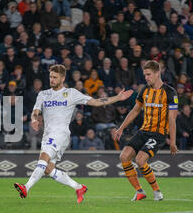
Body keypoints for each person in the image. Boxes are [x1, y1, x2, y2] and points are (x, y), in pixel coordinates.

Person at [14, 64, 133, 203]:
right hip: (48, 134)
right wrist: (34, 120)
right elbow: (35, 112)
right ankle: (78, 187)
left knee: (43, 157)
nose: (51, 80)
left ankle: (26, 187)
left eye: (55, 77)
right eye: (50, 77)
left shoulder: (71, 93)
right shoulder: (43, 94)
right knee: (47, 169)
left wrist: (117, 98)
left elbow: (95, 102)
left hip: (61, 133)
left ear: (62, 78)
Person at [114, 61, 178, 202]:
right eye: (145, 75)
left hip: (159, 133)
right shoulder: (144, 90)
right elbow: (135, 110)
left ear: (157, 73)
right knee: (124, 157)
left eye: (149, 74)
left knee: (140, 159)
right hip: (144, 131)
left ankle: (157, 192)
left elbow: (172, 120)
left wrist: (173, 142)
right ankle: (139, 191)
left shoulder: (170, 92)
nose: (146, 78)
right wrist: (121, 128)